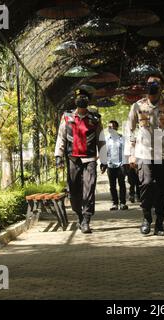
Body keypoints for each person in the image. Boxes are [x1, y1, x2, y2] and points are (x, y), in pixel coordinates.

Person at [126, 72, 164, 236]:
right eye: (150, 83)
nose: (153, 85)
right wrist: (131, 153)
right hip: (143, 153)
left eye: (156, 83)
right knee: (146, 184)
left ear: (162, 87)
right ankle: (146, 217)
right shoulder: (137, 106)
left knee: (162, 190)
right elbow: (129, 129)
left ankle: (160, 224)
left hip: (162, 154)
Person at [55, 88, 105, 234]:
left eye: (84, 97)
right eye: (79, 97)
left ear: (88, 101)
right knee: (74, 190)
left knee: (89, 189)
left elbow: (100, 139)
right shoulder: (67, 117)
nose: (81, 99)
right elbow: (61, 137)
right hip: (72, 158)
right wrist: (58, 156)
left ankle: (86, 220)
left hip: (89, 159)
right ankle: (79, 214)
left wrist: (104, 160)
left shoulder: (95, 119)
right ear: (75, 100)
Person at [102, 120, 128, 211]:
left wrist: (127, 163)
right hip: (110, 165)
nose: (110, 129)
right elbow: (103, 152)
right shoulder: (106, 139)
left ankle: (123, 203)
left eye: (111, 127)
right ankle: (115, 203)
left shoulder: (122, 138)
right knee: (112, 185)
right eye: (108, 127)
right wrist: (103, 164)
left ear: (116, 128)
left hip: (121, 164)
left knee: (122, 184)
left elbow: (126, 151)